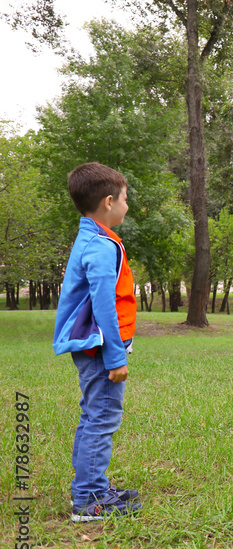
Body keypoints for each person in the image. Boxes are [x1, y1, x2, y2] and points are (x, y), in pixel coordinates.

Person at [53, 162, 142, 521]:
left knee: (95, 415)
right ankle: (89, 500)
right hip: (98, 348)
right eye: (125, 198)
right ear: (108, 201)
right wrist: (116, 356)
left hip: (94, 347)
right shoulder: (101, 246)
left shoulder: (92, 236)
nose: (127, 205)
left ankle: (94, 486)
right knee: (101, 418)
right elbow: (103, 303)